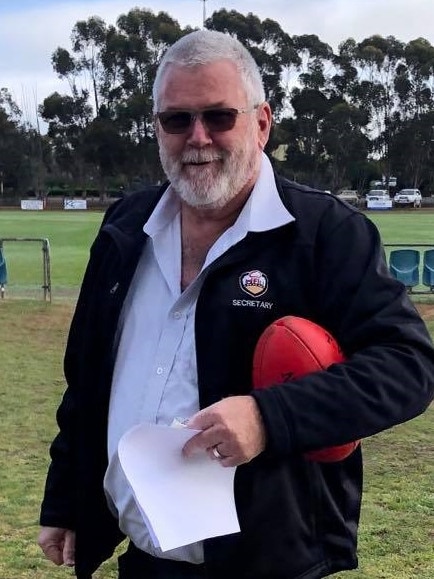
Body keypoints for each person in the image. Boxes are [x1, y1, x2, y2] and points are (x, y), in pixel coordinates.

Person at [38, 29, 434, 579]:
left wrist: (269, 417)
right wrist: (66, 502)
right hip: (146, 560)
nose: (197, 137)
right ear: (157, 128)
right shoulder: (125, 227)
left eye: (219, 117)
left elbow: (408, 366)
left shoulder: (325, 234)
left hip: (268, 562)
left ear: (261, 123)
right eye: (177, 120)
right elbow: (86, 382)